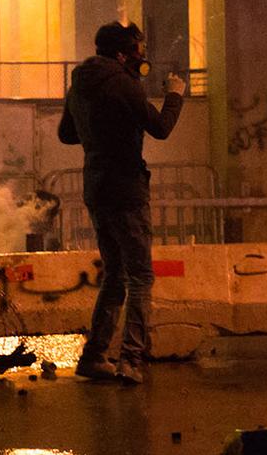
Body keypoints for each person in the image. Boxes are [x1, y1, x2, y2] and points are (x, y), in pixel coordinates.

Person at [57, 20, 186, 386]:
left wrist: (97, 132)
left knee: (114, 274)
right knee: (141, 276)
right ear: (121, 53)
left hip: (96, 188)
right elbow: (160, 128)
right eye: (137, 50)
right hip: (127, 189)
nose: (141, 57)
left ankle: (94, 356)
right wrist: (175, 94)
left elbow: (66, 134)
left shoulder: (80, 83)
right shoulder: (124, 84)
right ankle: (131, 361)